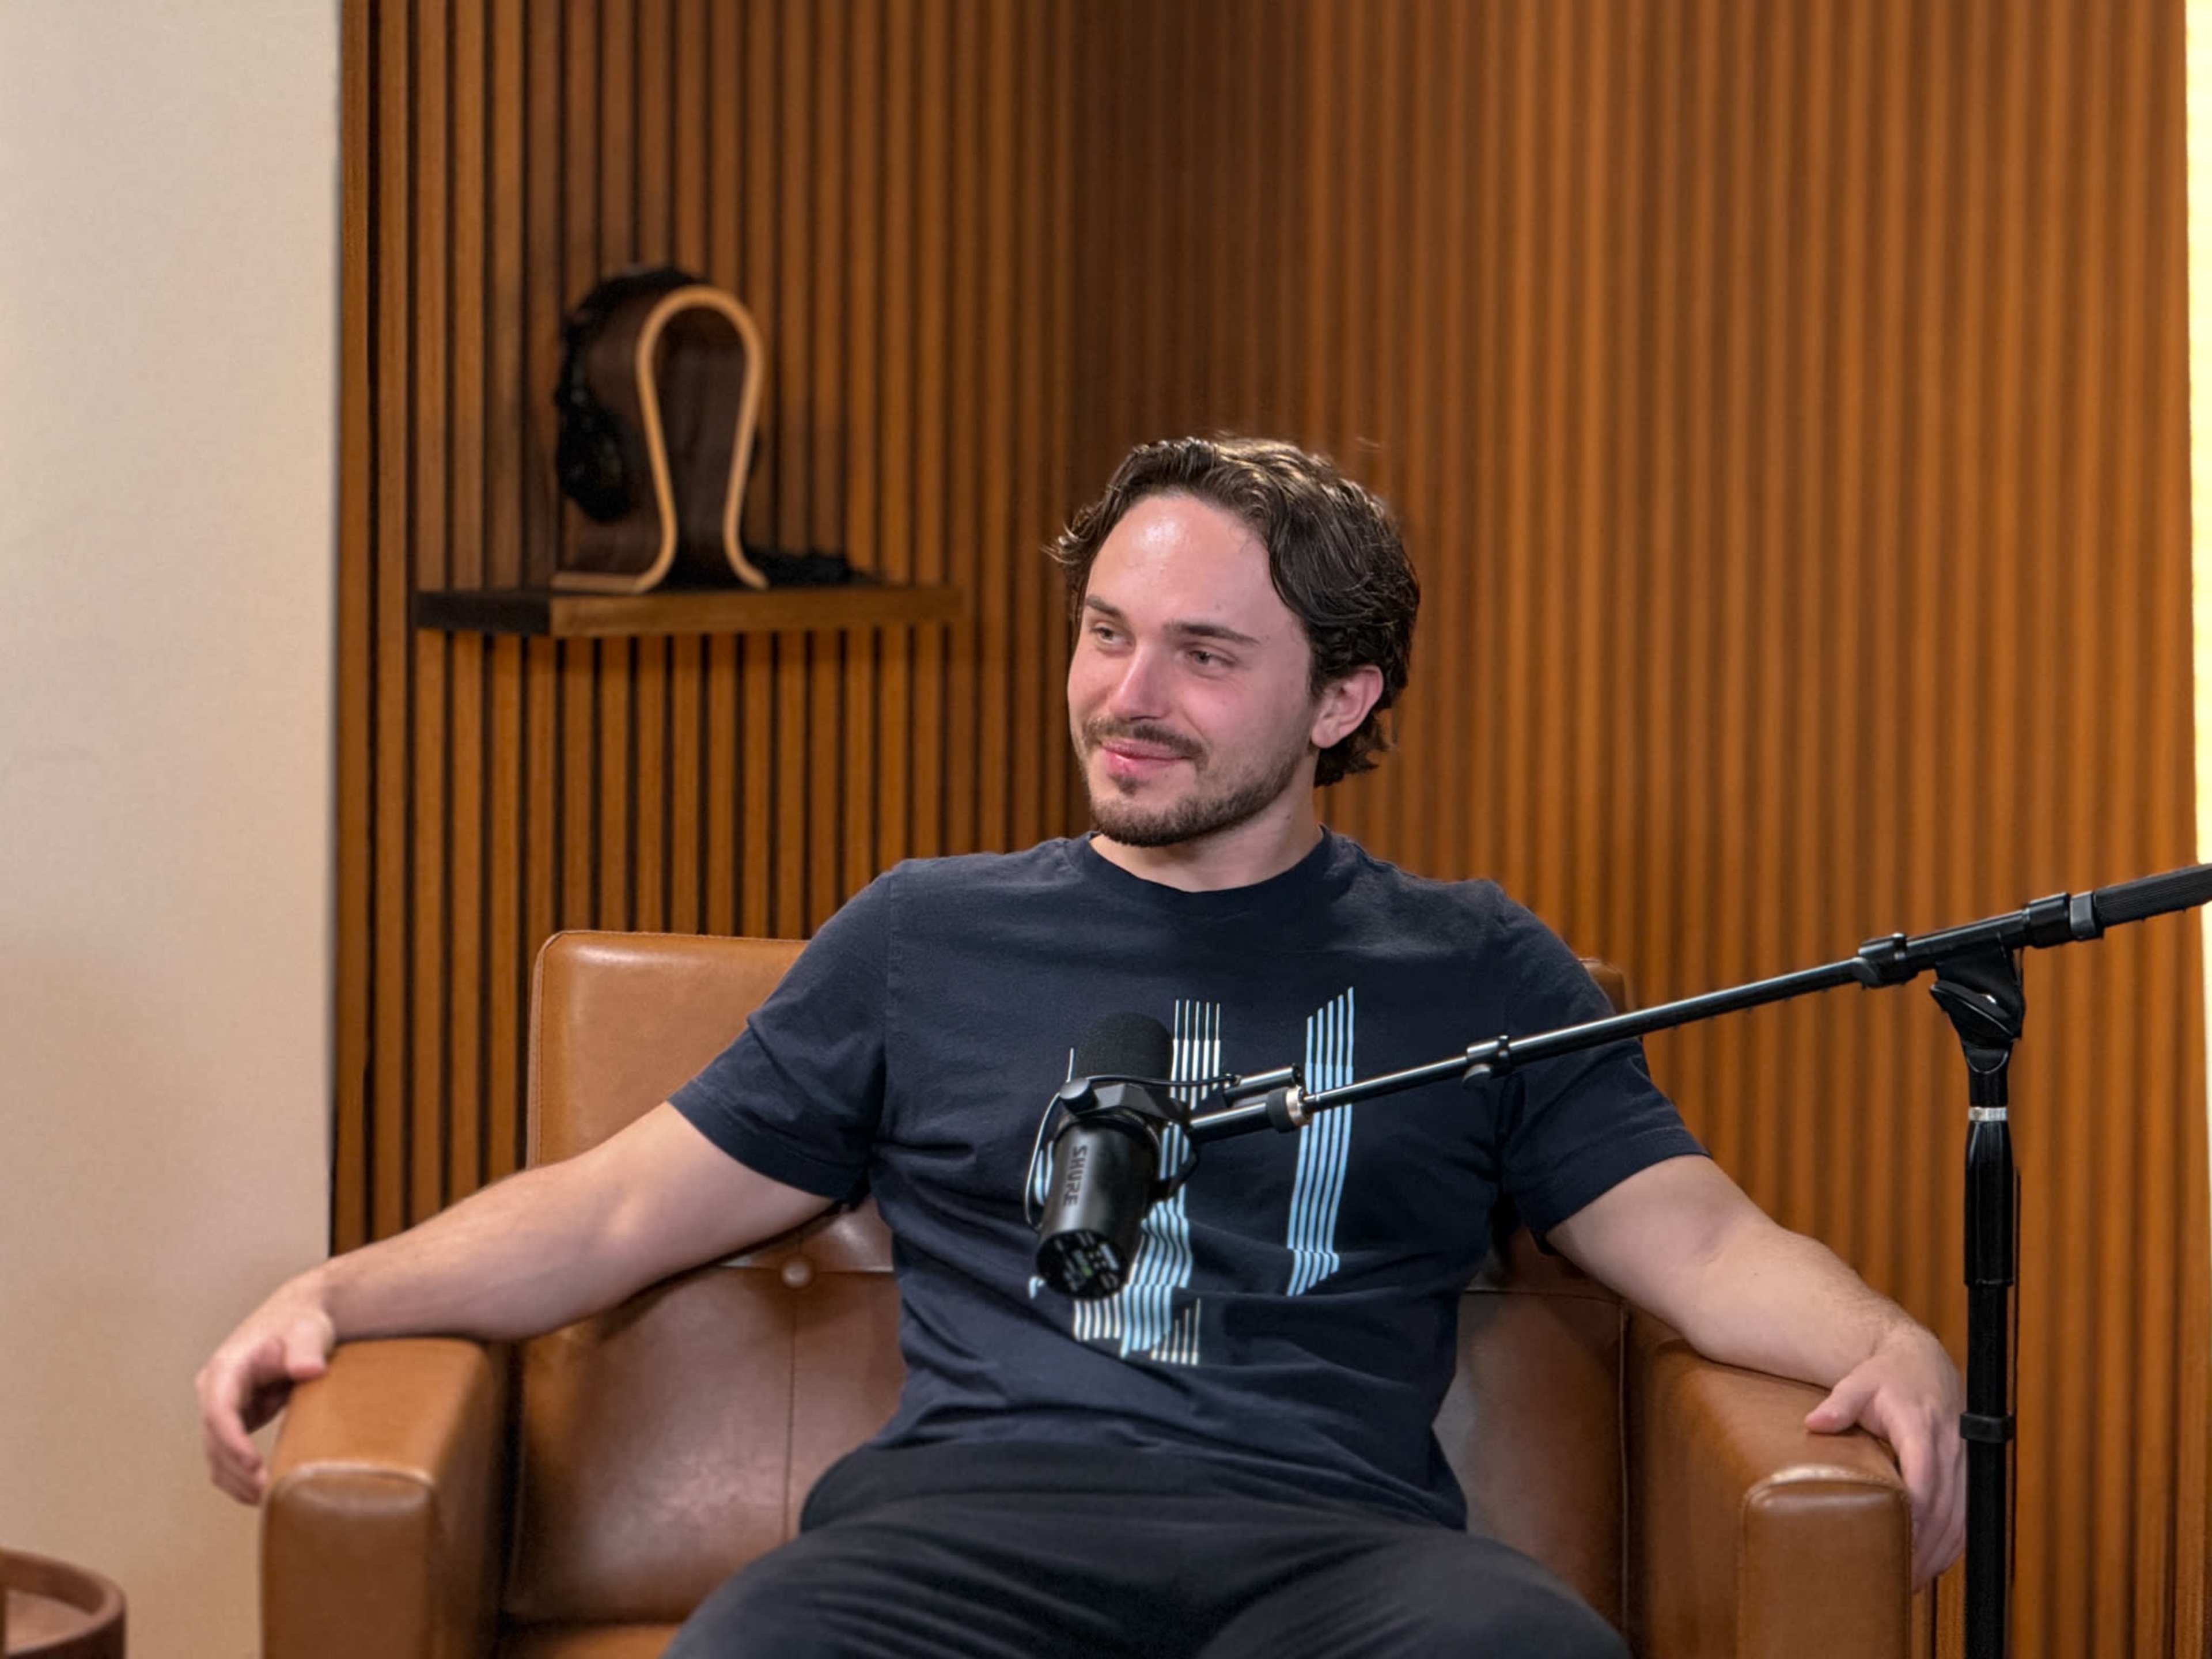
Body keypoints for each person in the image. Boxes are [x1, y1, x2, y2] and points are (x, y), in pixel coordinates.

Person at [198, 435, 1965, 1656]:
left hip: (1348, 1563)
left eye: (1205, 656)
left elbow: (1705, 1242)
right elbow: (610, 1213)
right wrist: (344, 1292)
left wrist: (1884, 1336)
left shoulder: (1475, 964)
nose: (1129, 696)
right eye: (1109, 634)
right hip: (958, 1548)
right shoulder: (925, 936)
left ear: (1342, 698)